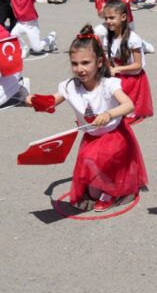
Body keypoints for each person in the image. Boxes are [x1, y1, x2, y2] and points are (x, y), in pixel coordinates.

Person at [26, 27, 147, 211]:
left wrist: (108, 114)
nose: (79, 69)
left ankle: (114, 193)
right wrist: (34, 100)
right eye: (74, 63)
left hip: (114, 136)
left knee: (92, 159)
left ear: (99, 62)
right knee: (92, 189)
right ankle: (105, 188)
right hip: (92, 136)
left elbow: (129, 105)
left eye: (85, 63)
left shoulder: (108, 84)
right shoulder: (70, 86)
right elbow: (52, 101)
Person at [98, 0, 153, 122]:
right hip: (118, 75)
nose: (108, 21)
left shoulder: (133, 39)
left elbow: (138, 65)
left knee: (124, 116)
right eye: (106, 18)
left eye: (112, 18)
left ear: (123, 17)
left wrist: (117, 68)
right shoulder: (108, 37)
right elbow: (108, 57)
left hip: (132, 79)